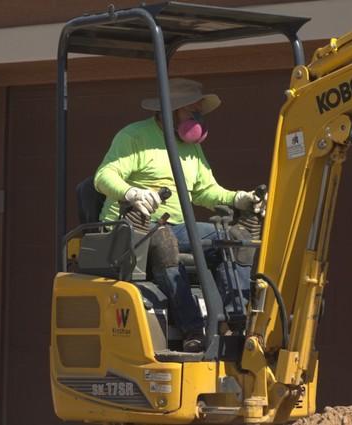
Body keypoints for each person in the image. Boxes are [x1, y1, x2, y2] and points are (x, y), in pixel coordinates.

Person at [94, 78, 263, 352]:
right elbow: (104, 177)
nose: (197, 118)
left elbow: (205, 191)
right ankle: (193, 330)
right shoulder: (134, 137)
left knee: (233, 238)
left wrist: (238, 198)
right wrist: (132, 194)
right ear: (169, 111)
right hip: (128, 229)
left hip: (174, 226)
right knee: (163, 241)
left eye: (199, 112)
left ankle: (235, 323)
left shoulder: (190, 147)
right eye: (191, 112)